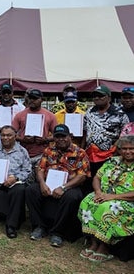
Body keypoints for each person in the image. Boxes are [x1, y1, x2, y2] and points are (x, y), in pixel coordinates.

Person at [26, 124, 90, 247]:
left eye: (63, 136)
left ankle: (58, 232)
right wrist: (42, 183)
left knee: (72, 197)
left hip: (69, 186)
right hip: (49, 184)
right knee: (31, 190)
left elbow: (82, 176)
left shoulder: (80, 153)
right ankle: (39, 227)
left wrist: (64, 187)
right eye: (57, 137)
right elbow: (40, 169)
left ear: (70, 136)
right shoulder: (49, 151)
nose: (60, 139)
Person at [78, 135, 134, 263]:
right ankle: (94, 242)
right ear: (119, 150)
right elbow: (97, 177)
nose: (128, 151)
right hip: (104, 195)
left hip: (127, 200)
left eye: (132, 148)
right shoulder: (112, 161)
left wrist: (112, 197)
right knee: (88, 201)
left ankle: (104, 246)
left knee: (109, 208)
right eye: (124, 148)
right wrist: (98, 192)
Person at [82, 85, 129, 177]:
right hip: (90, 155)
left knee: (105, 180)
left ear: (109, 98)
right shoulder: (89, 112)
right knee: (90, 180)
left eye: (101, 96)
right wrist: (82, 150)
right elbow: (85, 132)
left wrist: (117, 150)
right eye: (95, 96)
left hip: (110, 155)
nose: (97, 98)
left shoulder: (120, 114)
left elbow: (125, 136)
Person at [12, 88, 57, 182]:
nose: (32, 101)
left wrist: (45, 140)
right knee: (23, 181)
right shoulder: (20, 115)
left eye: (35, 98)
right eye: (31, 98)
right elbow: (11, 134)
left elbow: (56, 136)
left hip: (41, 154)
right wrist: (23, 139)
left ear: (42, 100)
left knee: (39, 180)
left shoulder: (50, 115)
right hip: (23, 154)